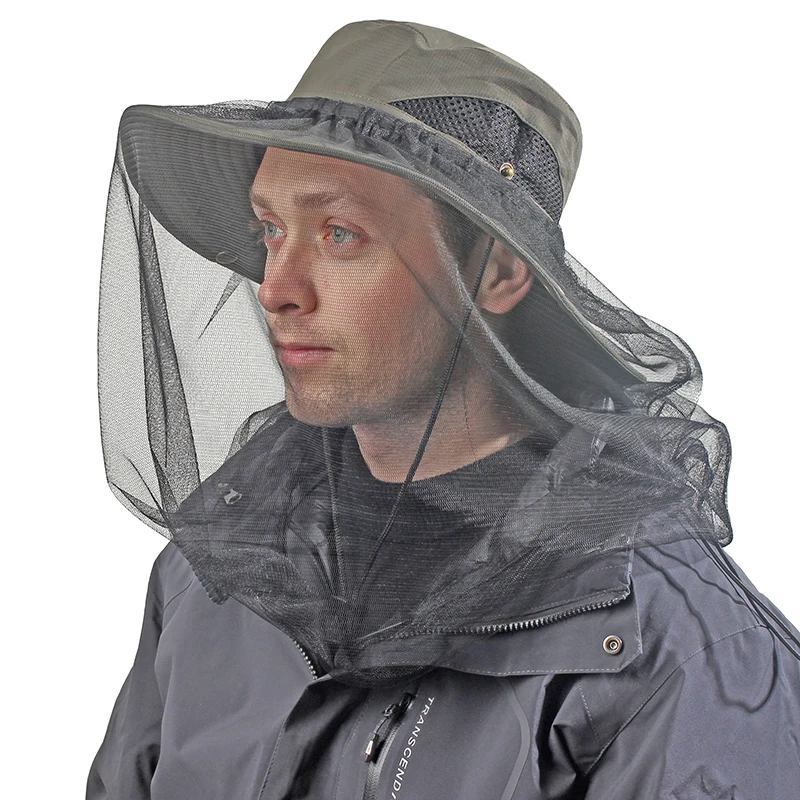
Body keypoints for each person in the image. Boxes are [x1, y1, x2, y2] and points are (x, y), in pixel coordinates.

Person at [88, 19, 800, 799]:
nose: (277, 287)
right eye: (271, 230)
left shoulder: (678, 654)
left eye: (339, 233)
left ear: (498, 270)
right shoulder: (219, 575)